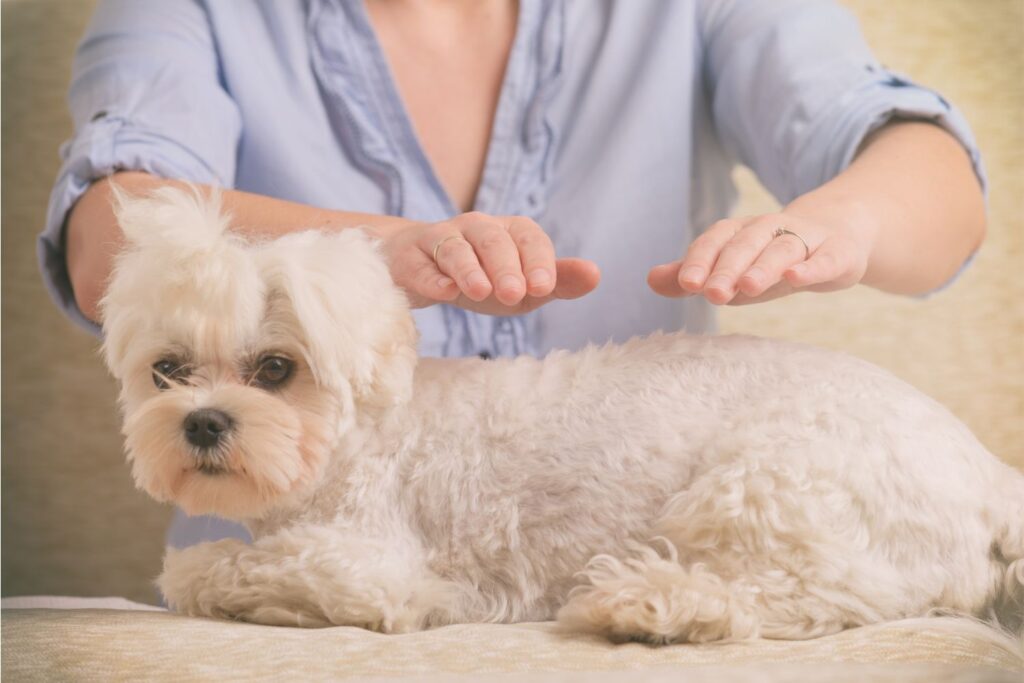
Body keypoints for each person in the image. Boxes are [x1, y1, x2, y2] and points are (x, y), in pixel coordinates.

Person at [40, 0, 986, 548]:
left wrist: (844, 222)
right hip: (289, 608)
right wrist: (376, 255)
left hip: (646, 595)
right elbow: (104, 239)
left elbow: (937, 187)